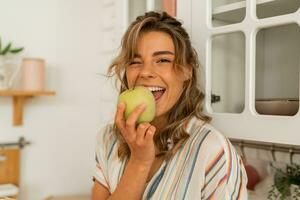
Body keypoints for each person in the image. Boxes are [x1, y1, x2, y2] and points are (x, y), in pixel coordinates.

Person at [92, 11, 248, 200]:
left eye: (163, 60)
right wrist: (139, 162)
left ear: (186, 71)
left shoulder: (213, 152)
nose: (146, 72)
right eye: (135, 62)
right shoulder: (109, 139)